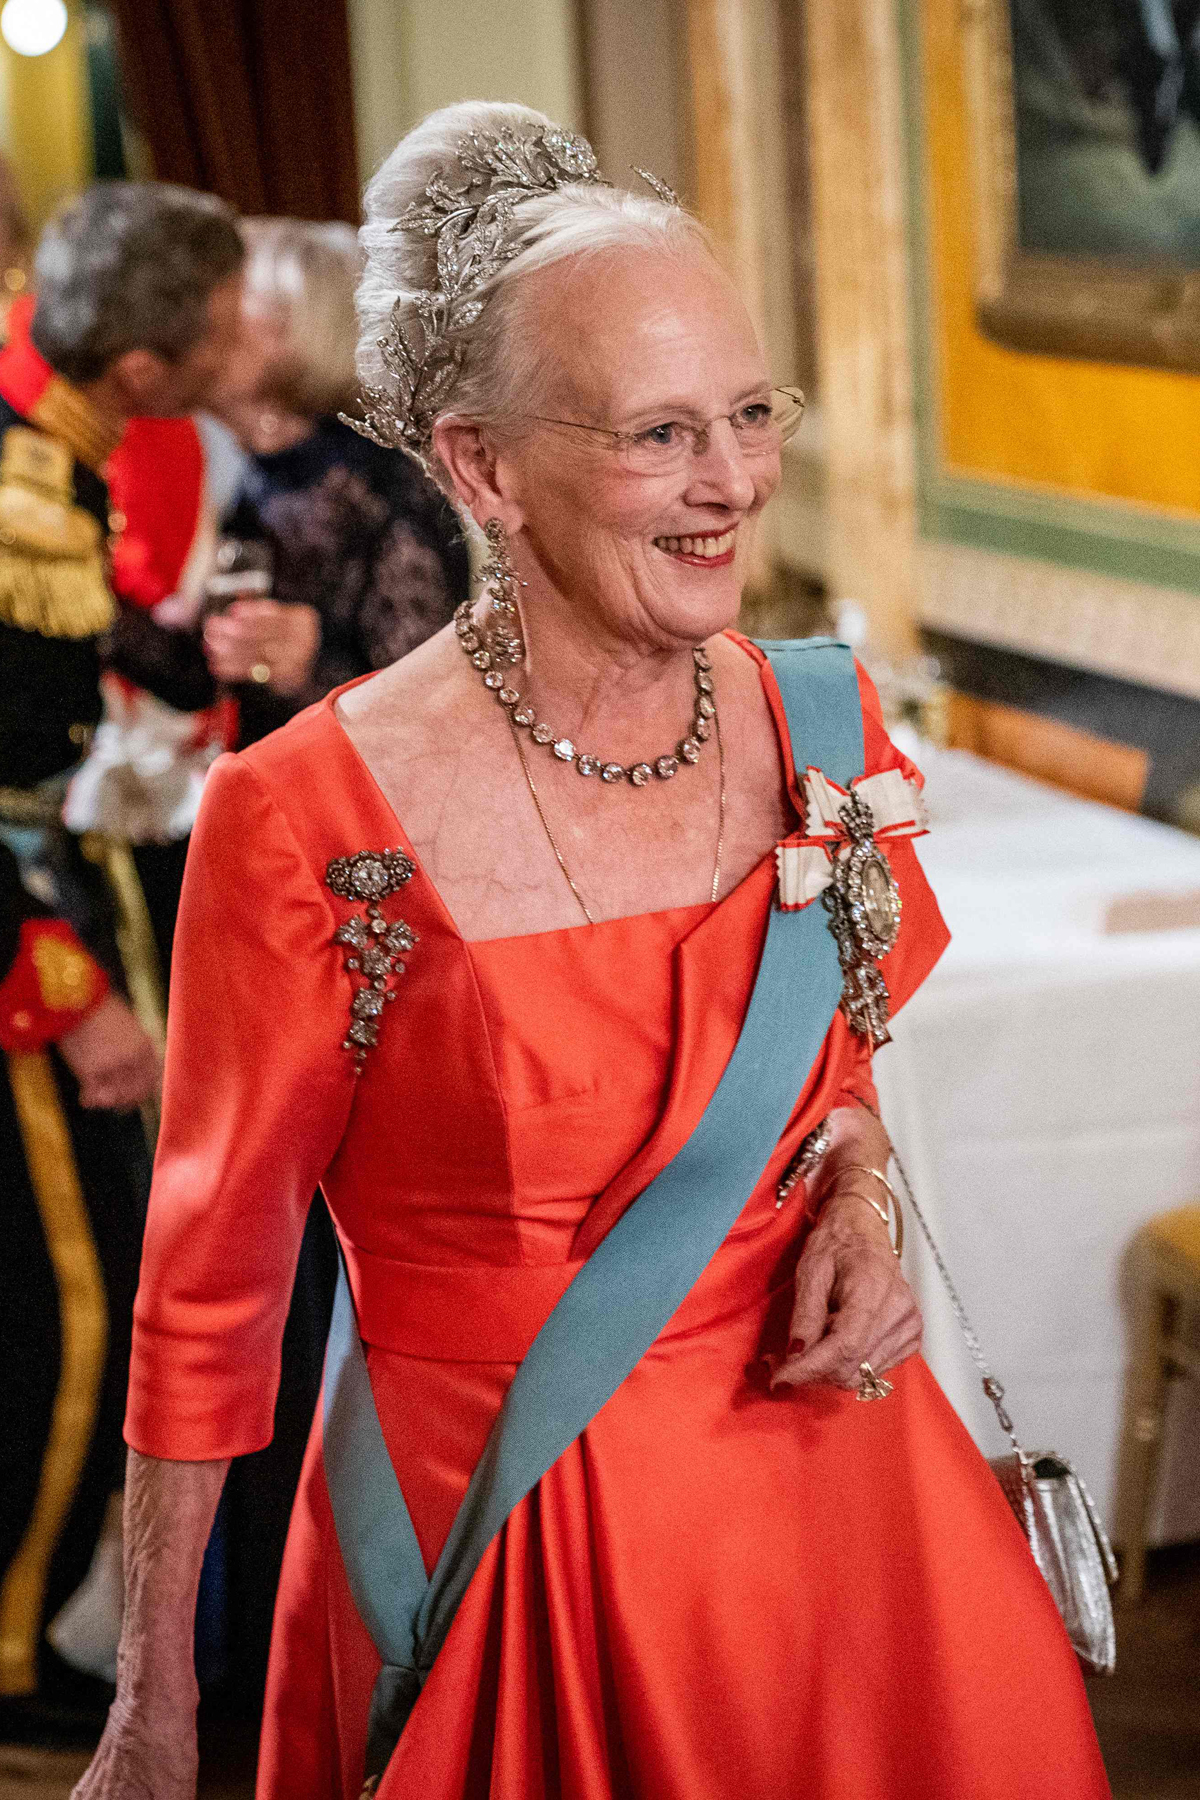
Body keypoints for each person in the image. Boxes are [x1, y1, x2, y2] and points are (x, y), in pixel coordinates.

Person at [77, 104, 1110, 1800]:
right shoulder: (304, 812)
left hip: (843, 1504)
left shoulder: (828, 729)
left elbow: (832, 1066)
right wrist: (157, 1702)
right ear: (481, 465)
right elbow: (210, 1294)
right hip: (501, 1528)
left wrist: (851, 1187)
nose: (734, 484)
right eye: (659, 434)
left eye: (749, 413)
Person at [0, 181, 242, 1734]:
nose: (242, 344)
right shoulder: (21, 480)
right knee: (71, 1311)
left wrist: (171, 647)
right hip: (20, 947)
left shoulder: (50, 448)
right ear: (147, 372)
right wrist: (65, 991)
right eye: (217, 326)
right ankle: (9, 1657)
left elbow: (52, 669)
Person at [196, 215, 469, 750]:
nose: (201, 322)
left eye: (232, 300)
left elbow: (424, 715)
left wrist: (312, 669)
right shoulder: (255, 470)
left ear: (293, 331)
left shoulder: (380, 488)